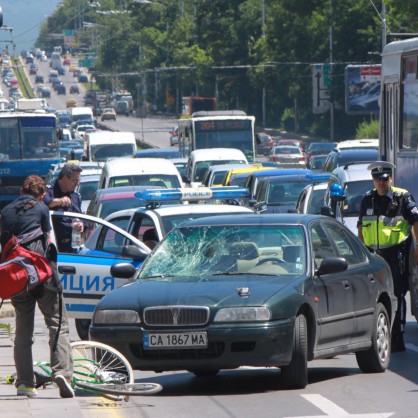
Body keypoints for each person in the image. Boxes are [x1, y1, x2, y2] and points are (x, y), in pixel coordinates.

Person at [0, 175, 74, 398]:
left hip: (19, 277)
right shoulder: (42, 208)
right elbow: (50, 242)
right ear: (42, 194)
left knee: (23, 330)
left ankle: (25, 384)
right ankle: (62, 372)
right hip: (42, 275)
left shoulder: (5, 212)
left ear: (22, 191)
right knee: (57, 323)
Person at [357, 161, 418, 352]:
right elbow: (361, 227)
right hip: (374, 256)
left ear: (390, 178)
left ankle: (397, 337)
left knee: (397, 294)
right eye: (377, 179)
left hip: (396, 254)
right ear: (373, 180)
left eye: (385, 179)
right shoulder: (368, 199)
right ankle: (378, 336)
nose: (381, 183)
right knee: (375, 296)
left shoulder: (402, 197)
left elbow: (416, 221)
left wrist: (417, 248)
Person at [43, 163, 84, 253]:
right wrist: (59, 201)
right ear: (65, 178)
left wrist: (81, 224)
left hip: (73, 247)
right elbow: (45, 203)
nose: (77, 184)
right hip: (54, 248)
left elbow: (82, 218)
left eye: (78, 181)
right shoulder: (48, 191)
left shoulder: (76, 196)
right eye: (74, 181)